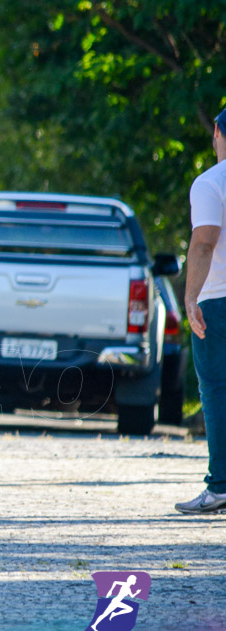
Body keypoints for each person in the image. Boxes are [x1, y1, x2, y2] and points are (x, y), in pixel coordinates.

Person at [178, 107, 226, 514]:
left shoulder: (211, 183)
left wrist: (191, 297)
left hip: (220, 300)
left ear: (217, 133)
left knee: (216, 388)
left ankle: (221, 484)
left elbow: (205, 241)